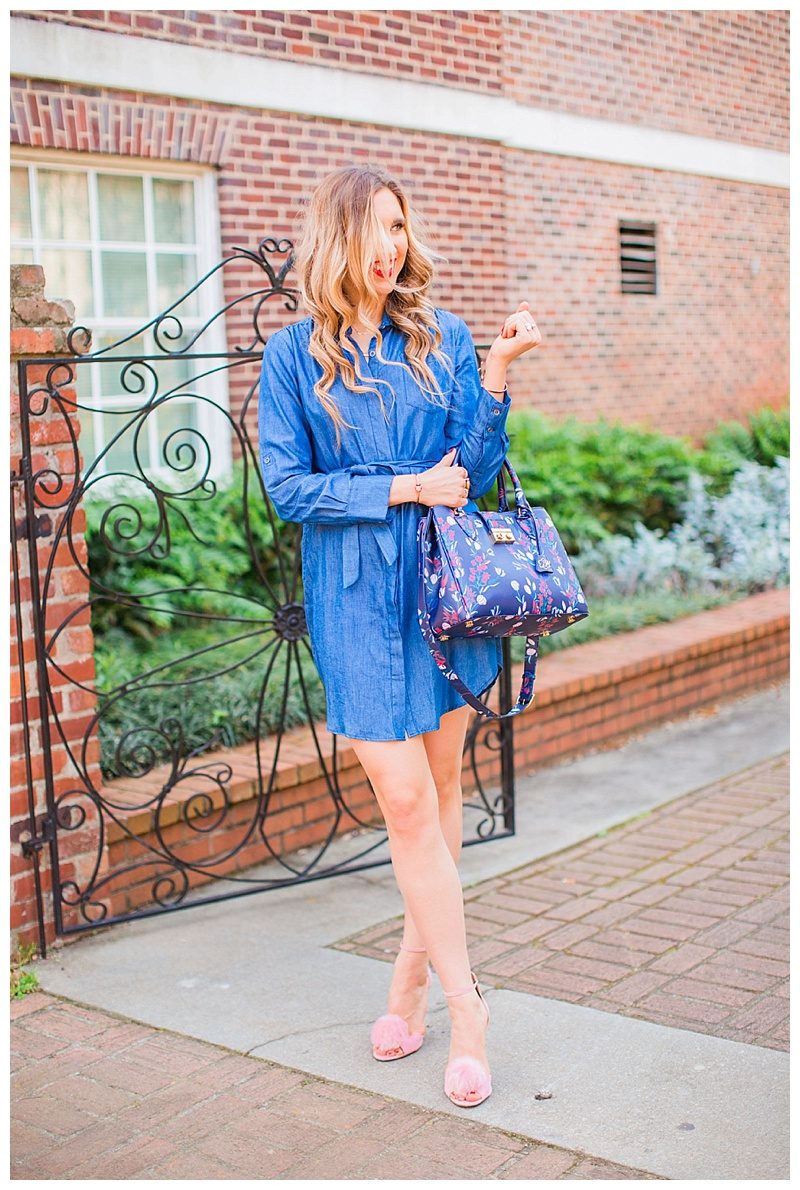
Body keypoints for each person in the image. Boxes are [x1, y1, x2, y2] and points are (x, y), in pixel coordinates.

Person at [258, 164, 541, 1108]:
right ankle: (470, 1008)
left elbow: (479, 463)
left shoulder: (444, 336)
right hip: (352, 600)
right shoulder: (295, 356)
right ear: (339, 241)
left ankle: (408, 981)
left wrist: (495, 375)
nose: (394, 246)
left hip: (442, 590)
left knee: (444, 785)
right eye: (377, 229)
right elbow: (289, 488)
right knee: (408, 802)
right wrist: (403, 487)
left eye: (401, 227)